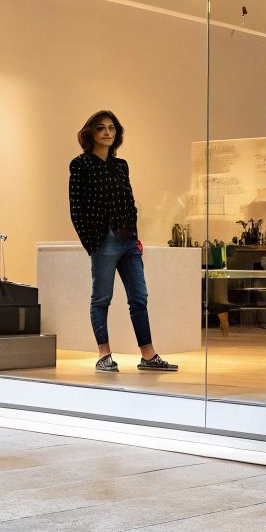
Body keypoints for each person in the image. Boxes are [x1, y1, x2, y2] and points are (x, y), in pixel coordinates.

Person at [68, 110, 178, 374]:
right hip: (102, 242)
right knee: (102, 298)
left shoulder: (121, 165)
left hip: (128, 240)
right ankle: (104, 355)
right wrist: (92, 243)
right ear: (90, 133)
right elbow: (76, 209)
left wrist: (136, 238)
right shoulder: (80, 165)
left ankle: (148, 356)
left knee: (139, 298)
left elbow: (129, 202)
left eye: (112, 128)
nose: (107, 133)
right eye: (101, 128)